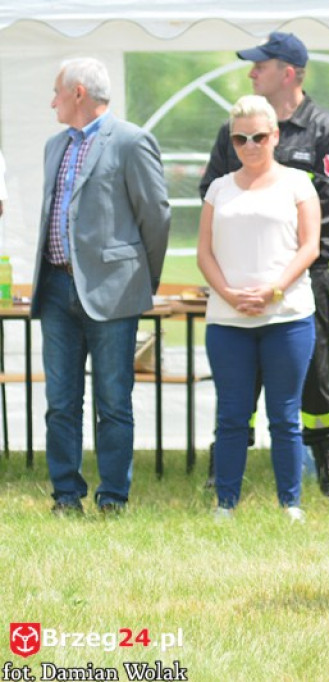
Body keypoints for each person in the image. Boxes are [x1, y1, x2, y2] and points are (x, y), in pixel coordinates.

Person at [199, 32, 329, 502]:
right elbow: (214, 190)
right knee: (238, 388)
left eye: (259, 66)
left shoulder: (323, 127)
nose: (251, 73)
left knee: (314, 381)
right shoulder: (237, 125)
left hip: (304, 280)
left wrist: (286, 277)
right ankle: (224, 473)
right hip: (238, 289)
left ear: (287, 72)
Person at [31, 57, 171, 515]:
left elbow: (156, 215)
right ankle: (66, 497)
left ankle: (113, 498)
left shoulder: (130, 141)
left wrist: (139, 281)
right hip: (55, 289)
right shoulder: (55, 145)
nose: (51, 100)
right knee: (60, 403)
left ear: (78, 93)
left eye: (56, 91)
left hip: (113, 292)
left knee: (112, 402)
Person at [198, 95, 320, 521]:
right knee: (232, 415)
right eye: (240, 138)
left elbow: (310, 246)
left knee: (284, 416)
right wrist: (228, 294)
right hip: (227, 320)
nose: (250, 145)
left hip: (286, 317)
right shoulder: (218, 187)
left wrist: (274, 289)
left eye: (259, 136)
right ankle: (225, 504)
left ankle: (291, 504)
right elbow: (204, 254)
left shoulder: (298, 184)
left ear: (276, 137)